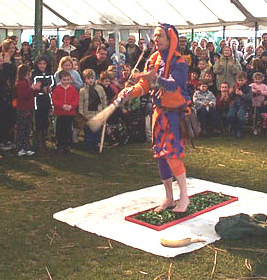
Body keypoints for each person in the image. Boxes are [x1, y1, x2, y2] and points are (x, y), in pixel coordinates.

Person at [115, 24, 191, 213]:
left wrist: (154, 78)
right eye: (155, 36)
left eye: (160, 36)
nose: (156, 39)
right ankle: (169, 198)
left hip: (174, 115)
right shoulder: (153, 59)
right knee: (160, 157)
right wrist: (129, 92)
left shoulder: (179, 62)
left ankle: (185, 198)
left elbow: (174, 85)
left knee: (172, 156)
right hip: (159, 113)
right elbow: (143, 86)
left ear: (170, 38)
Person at [15, 64, 41, 156]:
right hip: (22, 109)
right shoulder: (21, 83)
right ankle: (20, 147)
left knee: (27, 129)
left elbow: (32, 94)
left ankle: (26, 147)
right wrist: (32, 89)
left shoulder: (27, 83)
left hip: (29, 108)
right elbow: (23, 95)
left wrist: (35, 90)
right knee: (22, 129)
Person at [79, 69, 107, 152]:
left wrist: (104, 110)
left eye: (91, 78)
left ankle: (96, 144)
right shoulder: (83, 91)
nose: (90, 80)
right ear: (84, 79)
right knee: (88, 131)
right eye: (88, 78)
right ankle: (89, 146)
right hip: (88, 114)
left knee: (97, 131)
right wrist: (81, 114)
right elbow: (81, 103)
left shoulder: (100, 88)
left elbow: (103, 99)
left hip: (98, 113)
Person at [52, 70, 79, 153]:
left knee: (68, 129)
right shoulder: (57, 89)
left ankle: (67, 145)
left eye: (68, 80)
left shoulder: (72, 89)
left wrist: (71, 106)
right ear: (60, 80)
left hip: (69, 113)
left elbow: (76, 99)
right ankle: (60, 144)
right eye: (64, 80)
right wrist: (62, 106)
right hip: (60, 113)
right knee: (60, 129)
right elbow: (54, 100)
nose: (66, 82)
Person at [32, 56, 55, 151]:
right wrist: (42, 89)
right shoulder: (34, 74)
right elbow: (34, 85)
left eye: (44, 64)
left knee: (46, 120)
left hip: (47, 100)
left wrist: (50, 88)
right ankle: (38, 141)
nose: (42, 66)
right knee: (38, 121)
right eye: (40, 64)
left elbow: (53, 84)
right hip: (38, 100)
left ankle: (45, 139)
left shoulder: (50, 74)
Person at [227, 71, 252, 138]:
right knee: (230, 115)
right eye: (239, 80)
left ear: (245, 80)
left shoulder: (248, 88)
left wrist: (242, 94)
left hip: (244, 105)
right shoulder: (235, 87)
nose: (240, 82)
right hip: (235, 104)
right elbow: (231, 98)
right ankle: (234, 128)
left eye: (242, 80)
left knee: (240, 116)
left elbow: (249, 98)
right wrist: (231, 93)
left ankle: (239, 130)